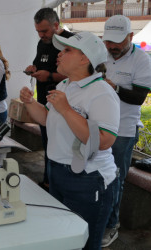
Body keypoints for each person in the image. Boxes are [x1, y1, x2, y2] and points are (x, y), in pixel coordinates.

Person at [20, 31, 120, 249]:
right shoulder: (64, 85)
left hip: (88, 178)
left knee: (85, 243)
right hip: (58, 171)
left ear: (85, 58)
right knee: (64, 239)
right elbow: (46, 119)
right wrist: (30, 103)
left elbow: (104, 141)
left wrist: (66, 110)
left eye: (67, 50)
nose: (59, 54)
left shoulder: (101, 92)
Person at [101, 15, 151, 247]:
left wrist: (115, 87)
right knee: (96, 175)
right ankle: (97, 216)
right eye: (108, 42)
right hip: (99, 125)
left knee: (116, 179)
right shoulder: (103, 55)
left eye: (117, 43)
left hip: (123, 130)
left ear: (130, 37)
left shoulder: (141, 60)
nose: (112, 48)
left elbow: (139, 98)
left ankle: (112, 225)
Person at [25, 8, 74, 192]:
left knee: (61, 147)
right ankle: (48, 182)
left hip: (64, 105)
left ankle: (57, 185)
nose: (41, 35)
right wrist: (34, 68)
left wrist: (50, 76)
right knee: (48, 145)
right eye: (38, 31)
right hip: (45, 102)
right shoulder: (42, 43)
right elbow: (41, 63)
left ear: (56, 25)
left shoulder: (71, 42)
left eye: (44, 31)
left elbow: (76, 75)